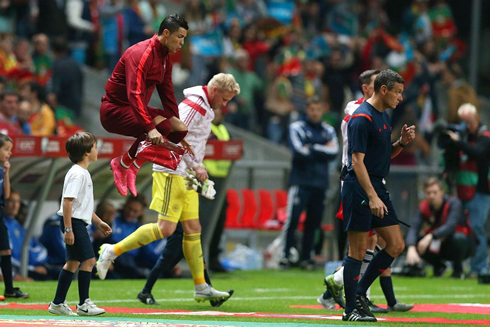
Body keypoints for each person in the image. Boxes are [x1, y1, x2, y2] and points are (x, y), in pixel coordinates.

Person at [97, 73, 240, 303]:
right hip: (171, 172)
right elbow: (170, 136)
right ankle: (112, 251)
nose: (225, 104)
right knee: (165, 229)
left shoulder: (205, 107)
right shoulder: (193, 106)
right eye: (224, 98)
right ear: (214, 90)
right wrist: (197, 164)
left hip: (186, 174)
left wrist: (195, 167)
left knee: (194, 228)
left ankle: (201, 286)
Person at [319, 70, 413, 313]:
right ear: (384, 90)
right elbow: (357, 161)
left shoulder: (382, 117)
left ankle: (359, 293)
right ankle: (351, 309)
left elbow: (382, 155)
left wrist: (401, 143)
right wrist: (371, 196)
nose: (400, 98)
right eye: (398, 92)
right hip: (360, 189)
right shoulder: (361, 118)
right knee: (359, 250)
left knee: (395, 244)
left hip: (377, 185)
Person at [100, 14, 192, 198]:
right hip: (114, 110)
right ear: (166, 33)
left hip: (135, 108)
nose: (182, 43)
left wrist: (177, 129)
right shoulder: (141, 53)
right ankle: (124, 164)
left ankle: (130, 165)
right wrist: (150, 128)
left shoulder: (165, 59)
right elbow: (133, 93)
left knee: (178, 129)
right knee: (161, 127)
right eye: (180, 37)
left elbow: (167, 95)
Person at [48, 132, 112, 316]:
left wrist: (99, 222)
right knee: (89, 260)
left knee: (72, 263)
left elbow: (81, 205)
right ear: (86, 152)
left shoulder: (82, 173)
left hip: (75, 222)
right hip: (73, 223)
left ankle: (58, 303)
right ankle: (84, 304)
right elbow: (67, 202)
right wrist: (69, 229)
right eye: (95, 147)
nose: (97, 150)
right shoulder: (78, 174)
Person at [279, 96, 339, 270]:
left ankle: (306, 257)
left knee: (313, 222)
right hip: (300, 181)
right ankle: (286, 255)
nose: (315, 113)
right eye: (312, 109)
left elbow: (334, 151)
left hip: (320, 182)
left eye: (318, 109)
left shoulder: (328, 130)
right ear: (307, 110)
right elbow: (298, 151)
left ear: (323, 111)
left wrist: (311, 147)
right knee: (293, 219)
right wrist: (321, 147)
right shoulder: (296, 127)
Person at [445, 104, 490, 277]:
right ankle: (458, 266)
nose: (467, 126)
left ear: (477, 120)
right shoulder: (463, 137)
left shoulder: (484, 137)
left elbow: (477, 153)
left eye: (469, 122)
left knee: (477, 227)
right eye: (463, 122)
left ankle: (478, 268)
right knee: (459, 229)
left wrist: (458, 142)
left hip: (481, 191)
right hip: (461, 190)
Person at [405, 177, 473, 278]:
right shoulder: (424, 207)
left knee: (459, 238)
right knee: (415, 241)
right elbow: (414, 228)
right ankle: (439, 267)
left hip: (460, 244)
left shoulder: (454, 203)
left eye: (434, 192)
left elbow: (450, 226)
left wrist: (430, 236)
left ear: (442, 192)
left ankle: (458, 270)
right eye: (428, 193)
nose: (432, 196)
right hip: (438, 244)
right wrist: (411, 246)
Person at [201, 105, 232, 272]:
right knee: (204, 220)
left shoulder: (224, 130)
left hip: (222, 180)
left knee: (218, 221)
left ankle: (213, 257)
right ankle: (201, 258)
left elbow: (234, 148)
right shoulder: (204, 129)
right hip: (206, 179)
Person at [0, 134, 28, 299]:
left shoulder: (1, 170)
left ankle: (9, 289)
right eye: (6, 149)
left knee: (5, 251)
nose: (9, 153)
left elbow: (7, 193)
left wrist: (7, 172)